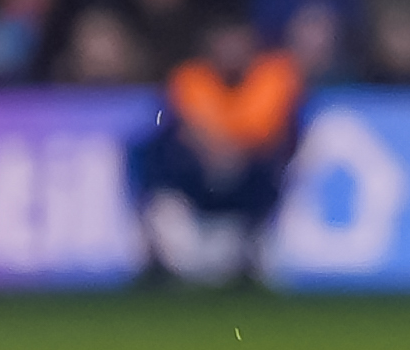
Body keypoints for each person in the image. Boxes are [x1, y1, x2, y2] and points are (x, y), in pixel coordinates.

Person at [130, 18, 306, 285]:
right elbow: (175, 138)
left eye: (237, 40)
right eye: (224, 41)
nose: (231, 50)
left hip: (251, 201)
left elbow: (279, 139)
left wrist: (238, 152)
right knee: (179, 244)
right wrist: (210, 150)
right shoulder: (190, 81)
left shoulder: (274, 77)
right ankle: (161, 268)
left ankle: (250, 263)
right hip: (195, 199)